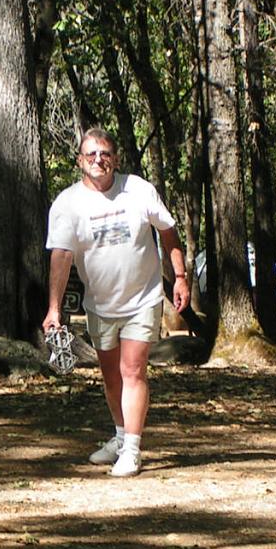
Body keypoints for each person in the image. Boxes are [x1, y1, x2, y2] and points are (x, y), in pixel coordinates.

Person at [43, 128, 190, 477]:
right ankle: (121, 437)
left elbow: (168, 231)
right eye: (91, 154)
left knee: (133, 369)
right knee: (111, 375)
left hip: (143, 298)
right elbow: (61, 257)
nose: (99, 160)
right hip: (100, 303)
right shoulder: (67, 204)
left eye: (105, 153)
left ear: (116, 159)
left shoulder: (138, 190)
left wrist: (180, 275)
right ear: (80, 161)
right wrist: (54, 308)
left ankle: (133, 450)